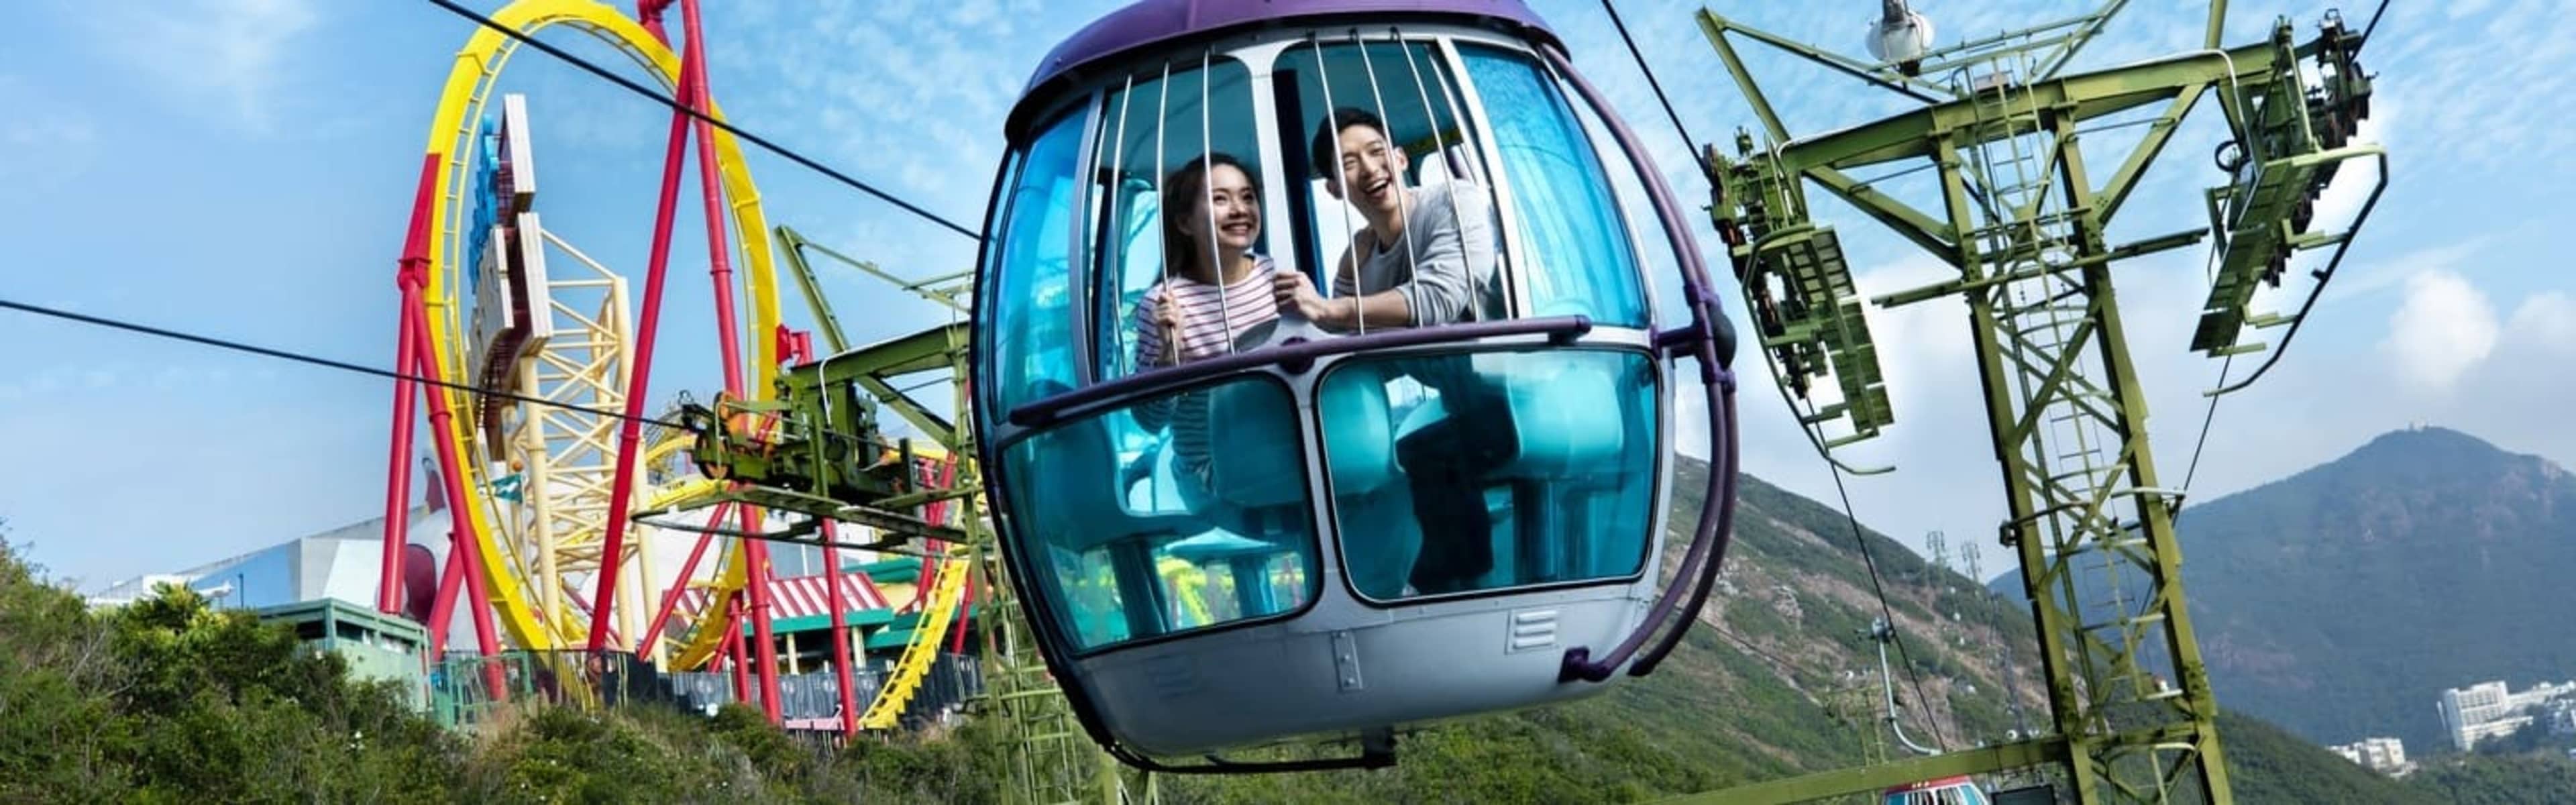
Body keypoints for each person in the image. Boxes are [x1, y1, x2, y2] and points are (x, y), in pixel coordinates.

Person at [1278, 107, 1509, 596]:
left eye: (1376, 152)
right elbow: (1344, 353)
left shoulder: (1454, 201)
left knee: (1423, 451)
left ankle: (1453, 587)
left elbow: (1441, 297)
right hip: (1462, 403)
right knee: (1372, 462)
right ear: (1335, 188)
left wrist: (1334, 308)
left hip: (1516, 389)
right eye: (1349, 164)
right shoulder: (1360, 260)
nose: (1369, 169)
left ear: (1401, 158)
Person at [1129, 152, 1284, 534]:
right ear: (1184, 222)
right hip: (1215, 478)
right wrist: (1170, 355)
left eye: (1247, 197)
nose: (1239, 210)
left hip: (1279, 449)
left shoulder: (1274, 274)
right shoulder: (1163, 304)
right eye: (1220, 199)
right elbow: (1150, 422)